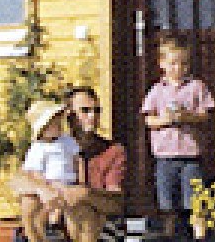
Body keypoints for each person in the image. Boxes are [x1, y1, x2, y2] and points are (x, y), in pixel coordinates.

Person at [9, 88, 127, 242]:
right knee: (29, 201)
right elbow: (18, 180)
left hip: (94, 223)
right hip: (52, 213)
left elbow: (117, 203)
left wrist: (86, 194)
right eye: (85, 111)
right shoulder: (47, 144)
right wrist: (42, 189)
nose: (93, 116)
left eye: (97, 111)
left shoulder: (113, 151)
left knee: (80, 208)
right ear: (69, 115)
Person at [141, 39, 215, 240]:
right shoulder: (157, 90)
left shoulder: (196, 87)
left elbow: (206, 115)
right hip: (165, 157)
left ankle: (199, 235)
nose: (179, 68)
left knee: (194, 202)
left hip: (190, 156)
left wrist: (187, 117)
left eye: (184, 64)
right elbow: (149, 119)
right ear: (162, 64)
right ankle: (169, 235)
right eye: (174, 63)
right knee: (167, 204)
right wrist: (165, 119)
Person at [19, 101, 81, 242]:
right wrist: (44, 186)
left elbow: (78, 160)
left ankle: (56, 222)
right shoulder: (38, 147)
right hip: (49, 183)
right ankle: (51, 225)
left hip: (69, 182)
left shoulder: (67, 140)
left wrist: (80, 181)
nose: (58, 125)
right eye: (53, 123)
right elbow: (33, 171)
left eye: (59, 121)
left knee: (63, 199)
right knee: (46, 204)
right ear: (43, 128)